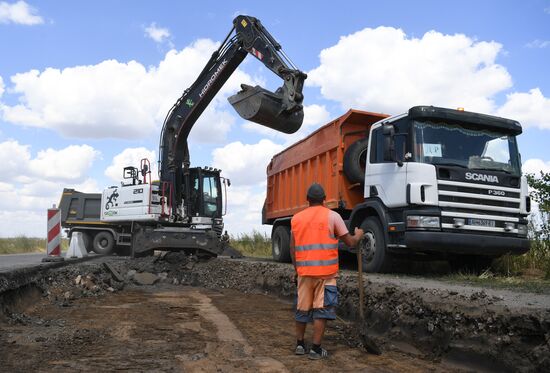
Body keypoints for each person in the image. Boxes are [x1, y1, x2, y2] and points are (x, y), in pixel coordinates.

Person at [290, 183, 364, 360]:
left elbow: (292, 248)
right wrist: (359, 234)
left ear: (307, 200)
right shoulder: (333, 217)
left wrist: (297, 269)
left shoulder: (296, 218)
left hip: (304, 273)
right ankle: (315, 349)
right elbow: (351, 243)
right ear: (324, 200)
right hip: (326, 274)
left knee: (302, 309)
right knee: (321, 311)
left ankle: (300, 345)